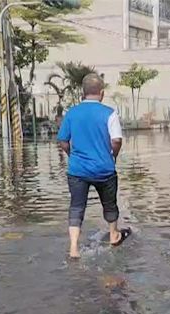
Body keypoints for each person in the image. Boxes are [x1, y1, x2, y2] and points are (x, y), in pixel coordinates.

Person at [57, 73, 131, 258]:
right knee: (109, 204)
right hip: (104, 169)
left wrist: (72, 156)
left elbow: (63, 141)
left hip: (77, 170)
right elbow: (117, 140)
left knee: (76, 207)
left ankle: (74, 248)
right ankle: (114, 234)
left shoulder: (72, 113)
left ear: (83, 92)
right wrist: (112, 155)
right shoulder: (109, 113)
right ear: (102, 93)